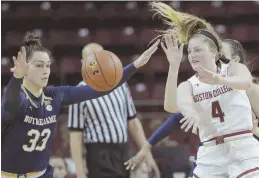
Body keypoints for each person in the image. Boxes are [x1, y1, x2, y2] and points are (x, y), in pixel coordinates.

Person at [126, 2, 259, 177]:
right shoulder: (188, 85)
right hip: (211, 152)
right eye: (189, 51)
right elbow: (173, 106)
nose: (192, 55)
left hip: (241, 146)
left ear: (214, 52)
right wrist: (173, 67)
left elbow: (245, 82)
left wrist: (217, 79)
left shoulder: (233, 69)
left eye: (198, 50)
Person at [1, 32, 160, 178]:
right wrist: (17, 77)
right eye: (39, 65)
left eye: (48, 65)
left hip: (42, 174)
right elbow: (11, 102)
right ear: (25, 68)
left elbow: (100, 89)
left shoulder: (55, 95)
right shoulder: (16, 97)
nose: (46, 71)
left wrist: (136, 65)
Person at [68, 43, 160, 178]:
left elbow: (133, 123)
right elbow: (75, 137)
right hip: (99, 155)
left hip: (124, 150)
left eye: (100, 57)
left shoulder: (120, 85)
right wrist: (80, 173)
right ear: (83, 63)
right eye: (92, 59)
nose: (97, 62)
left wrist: (148, 156)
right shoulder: (78, 93)